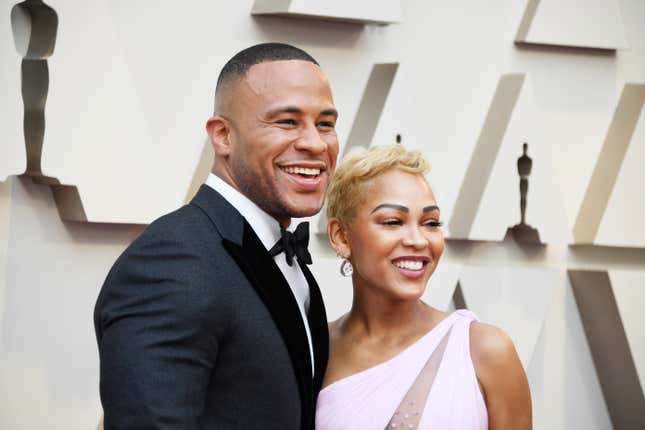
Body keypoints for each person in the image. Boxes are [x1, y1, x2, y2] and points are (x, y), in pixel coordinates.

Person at [94, 43, 339, 429]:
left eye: (325, 123)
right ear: (223, 136)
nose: (315, 143)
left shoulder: (276, 252)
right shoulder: (173, 261)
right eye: (287, 122)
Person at [316, 145, 531, 429]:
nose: (418, 240)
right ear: (341, 236)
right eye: (393, 222)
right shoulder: (315, 350)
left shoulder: (486, 350)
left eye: (431, 223)